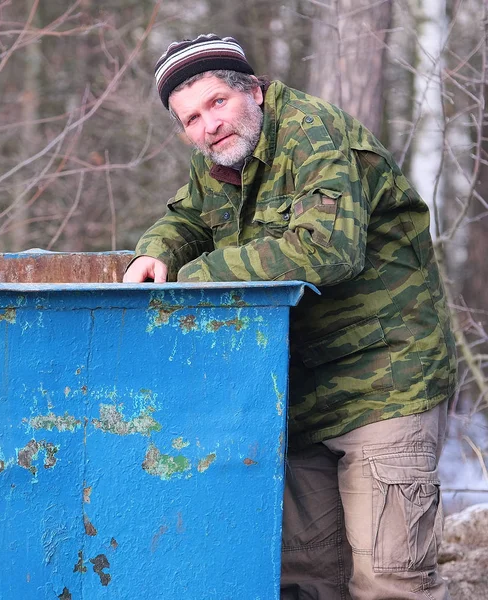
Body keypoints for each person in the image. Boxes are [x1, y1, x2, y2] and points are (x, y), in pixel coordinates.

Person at [124, 33, 457, 599]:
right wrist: (156, 252)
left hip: (386, 384)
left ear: (252, 90)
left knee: (390, 582)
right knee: (306, 582)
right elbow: (187, 219)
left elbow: (328, 249)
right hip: (301, 393)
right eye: (190, 119)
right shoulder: (221, 157)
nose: (207, 126)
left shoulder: (312, 133)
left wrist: (198, 276)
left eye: (217, 103)